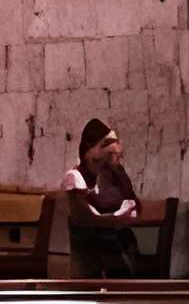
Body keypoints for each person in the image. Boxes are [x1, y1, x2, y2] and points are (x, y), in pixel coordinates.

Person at [61, 117, 143, 277]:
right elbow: (83, 217)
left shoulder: (114, 175)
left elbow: (134, 207)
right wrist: (115, 220)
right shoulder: (75, 177)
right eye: (105, 145)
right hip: (89, 253)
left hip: (116, 247)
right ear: (91, 150)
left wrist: (117, 170)